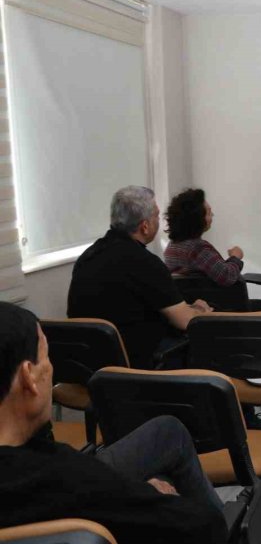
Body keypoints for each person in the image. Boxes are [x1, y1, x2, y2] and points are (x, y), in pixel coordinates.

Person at [0, 302, 227, 543]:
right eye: (47, 357)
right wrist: (144, 493)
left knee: (167, 431)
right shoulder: (67, 479)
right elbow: (203, 526)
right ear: (29, 377)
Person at [68, 186, 211, 369]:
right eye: (157, 216)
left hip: (86, 366)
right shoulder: (146, 263)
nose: (159, 221)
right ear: (145, 226)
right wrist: (200, 309)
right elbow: (185, 321)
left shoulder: (87, 257)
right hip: (135, 370)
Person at [164, 188, 244, 286]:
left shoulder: (171, 246)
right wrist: (235, 257)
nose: (212, 215)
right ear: (197, 218)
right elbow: (227, 276)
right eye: (209, 212)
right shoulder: (198, 248)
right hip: (213, 301)